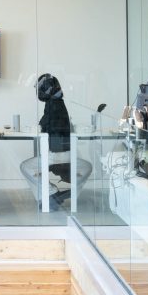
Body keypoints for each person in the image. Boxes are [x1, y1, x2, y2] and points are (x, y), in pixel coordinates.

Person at [19, 72, 89, 209]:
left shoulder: (53, 104)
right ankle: (49, 197)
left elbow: (43, 125)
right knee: (86, 167)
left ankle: (51, 193)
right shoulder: (58, 103)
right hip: (63, 152)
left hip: (56, 155)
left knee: (25, 167)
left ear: (46, 89)